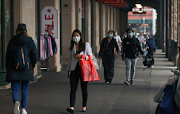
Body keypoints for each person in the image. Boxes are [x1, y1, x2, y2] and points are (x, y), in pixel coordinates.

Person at [6, 23, 38, 114]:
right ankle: (23, 109)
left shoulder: (12, 41)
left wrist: (7, 67)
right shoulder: (30, 41)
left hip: (14, 67)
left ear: (17, 31)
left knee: (15, 88)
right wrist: (32, 65)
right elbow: (34, 55)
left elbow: (8, 56)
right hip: (26, 68)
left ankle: (16, 102)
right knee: (24, 89)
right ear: (26, 31)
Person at [67, 29, 93, 113]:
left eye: (77, 35)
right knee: (73, 89)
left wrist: (81, 56)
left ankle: (84, 106)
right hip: (74, 70)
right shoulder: (72, 47)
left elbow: (90, 57)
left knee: (84, 89)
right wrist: (68, 70)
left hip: (84, 69)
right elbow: (70, 60)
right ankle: (72, 107)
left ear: (80, 36)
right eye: (74, 35)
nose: (76, 37)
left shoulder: (86, 45)